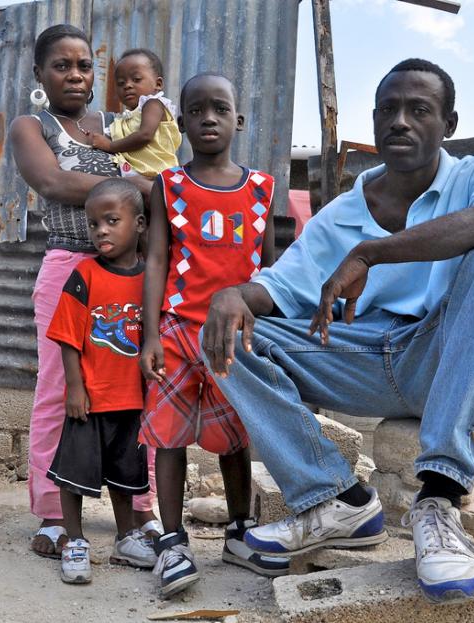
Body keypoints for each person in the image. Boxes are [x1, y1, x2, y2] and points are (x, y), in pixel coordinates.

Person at [201, 59, 474, 603]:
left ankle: (439, 500)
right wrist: (231, 295)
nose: (400, 122)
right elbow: (279, 288)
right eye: (389, 110)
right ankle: (337, 499)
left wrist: (372, 252)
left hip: (451, 357)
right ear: (375, 120)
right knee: (228, 334)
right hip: (369, 361)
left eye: (419, 110)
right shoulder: (342, 214)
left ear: (448, 124)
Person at [9, 24, 159, 559]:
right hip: (70, 268)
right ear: (39, 74)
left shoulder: (115, 126)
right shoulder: (33, 127)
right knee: (59, 390)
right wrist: (138, 189)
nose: (75, 75)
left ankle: (141, 510)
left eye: (84, 65)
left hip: (130, 273)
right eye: (62, 66)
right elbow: (53, 183)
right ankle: (52, 513)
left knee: (139, 386)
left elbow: (160, 157)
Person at [139, 72, 289, 598]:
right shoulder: (169, 185)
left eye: (220, 109)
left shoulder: (261, 189)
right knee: (169, 434)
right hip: (179, 329)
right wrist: (150, 333)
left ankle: (239, 531)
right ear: (181, 123)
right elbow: (156, 258)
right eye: (197, 110)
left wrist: (274, 329)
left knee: (236, 436)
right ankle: (174, 541)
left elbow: (269, 269)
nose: (208, 118)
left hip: (239, 333)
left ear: (238, 120)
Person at [45, 178, 156, 584]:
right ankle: (74, 540)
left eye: (112, 221)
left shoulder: (151, 278)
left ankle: (127, 537)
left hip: (132, 399)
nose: (101, 231)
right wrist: (75, 388)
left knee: (126, 473)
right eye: (94, 224)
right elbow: (68, 336)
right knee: (74, 473)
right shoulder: (84, 273)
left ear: (140, 224)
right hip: (90, 398)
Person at [86, 48, 181, 179]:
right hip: (139, 176)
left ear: (158, 84)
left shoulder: (153, 104)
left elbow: (144, 135)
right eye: (121, 83)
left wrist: (109, 145)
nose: (127, 85)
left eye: (136, 79)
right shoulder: (126, 118)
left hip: (159, 176)